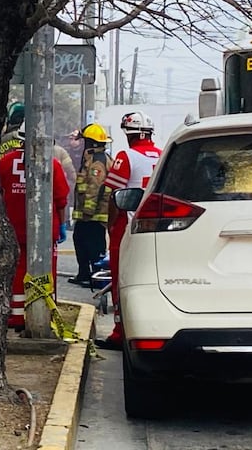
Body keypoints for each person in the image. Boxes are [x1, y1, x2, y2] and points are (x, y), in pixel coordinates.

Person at [96, 111, 162, 350]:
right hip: (157, 227)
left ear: (129, 134)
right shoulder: (164, 154)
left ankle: (119, 332)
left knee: (120, 279)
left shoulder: (127, 156)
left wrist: (110, 224)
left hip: (128, 226)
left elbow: (114, 195)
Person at [0, 121, 70, 329]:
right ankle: (43, 315)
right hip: (45, 229)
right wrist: (62, 224)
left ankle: (17, 315)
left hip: (13, 226)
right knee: (46, 272)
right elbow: (61, 199)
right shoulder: (52, 164)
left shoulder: (4, 162)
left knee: (16, 270)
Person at [69, 123, 113, 286]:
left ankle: (94, 276)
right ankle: (84, 274)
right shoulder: (93, 159)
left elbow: (95, 187)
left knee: (93, 245)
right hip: (89, 214)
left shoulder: (97, 162)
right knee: (80, 241)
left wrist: (88, 211)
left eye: (84, 141)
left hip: (93, 215)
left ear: (90, 143)